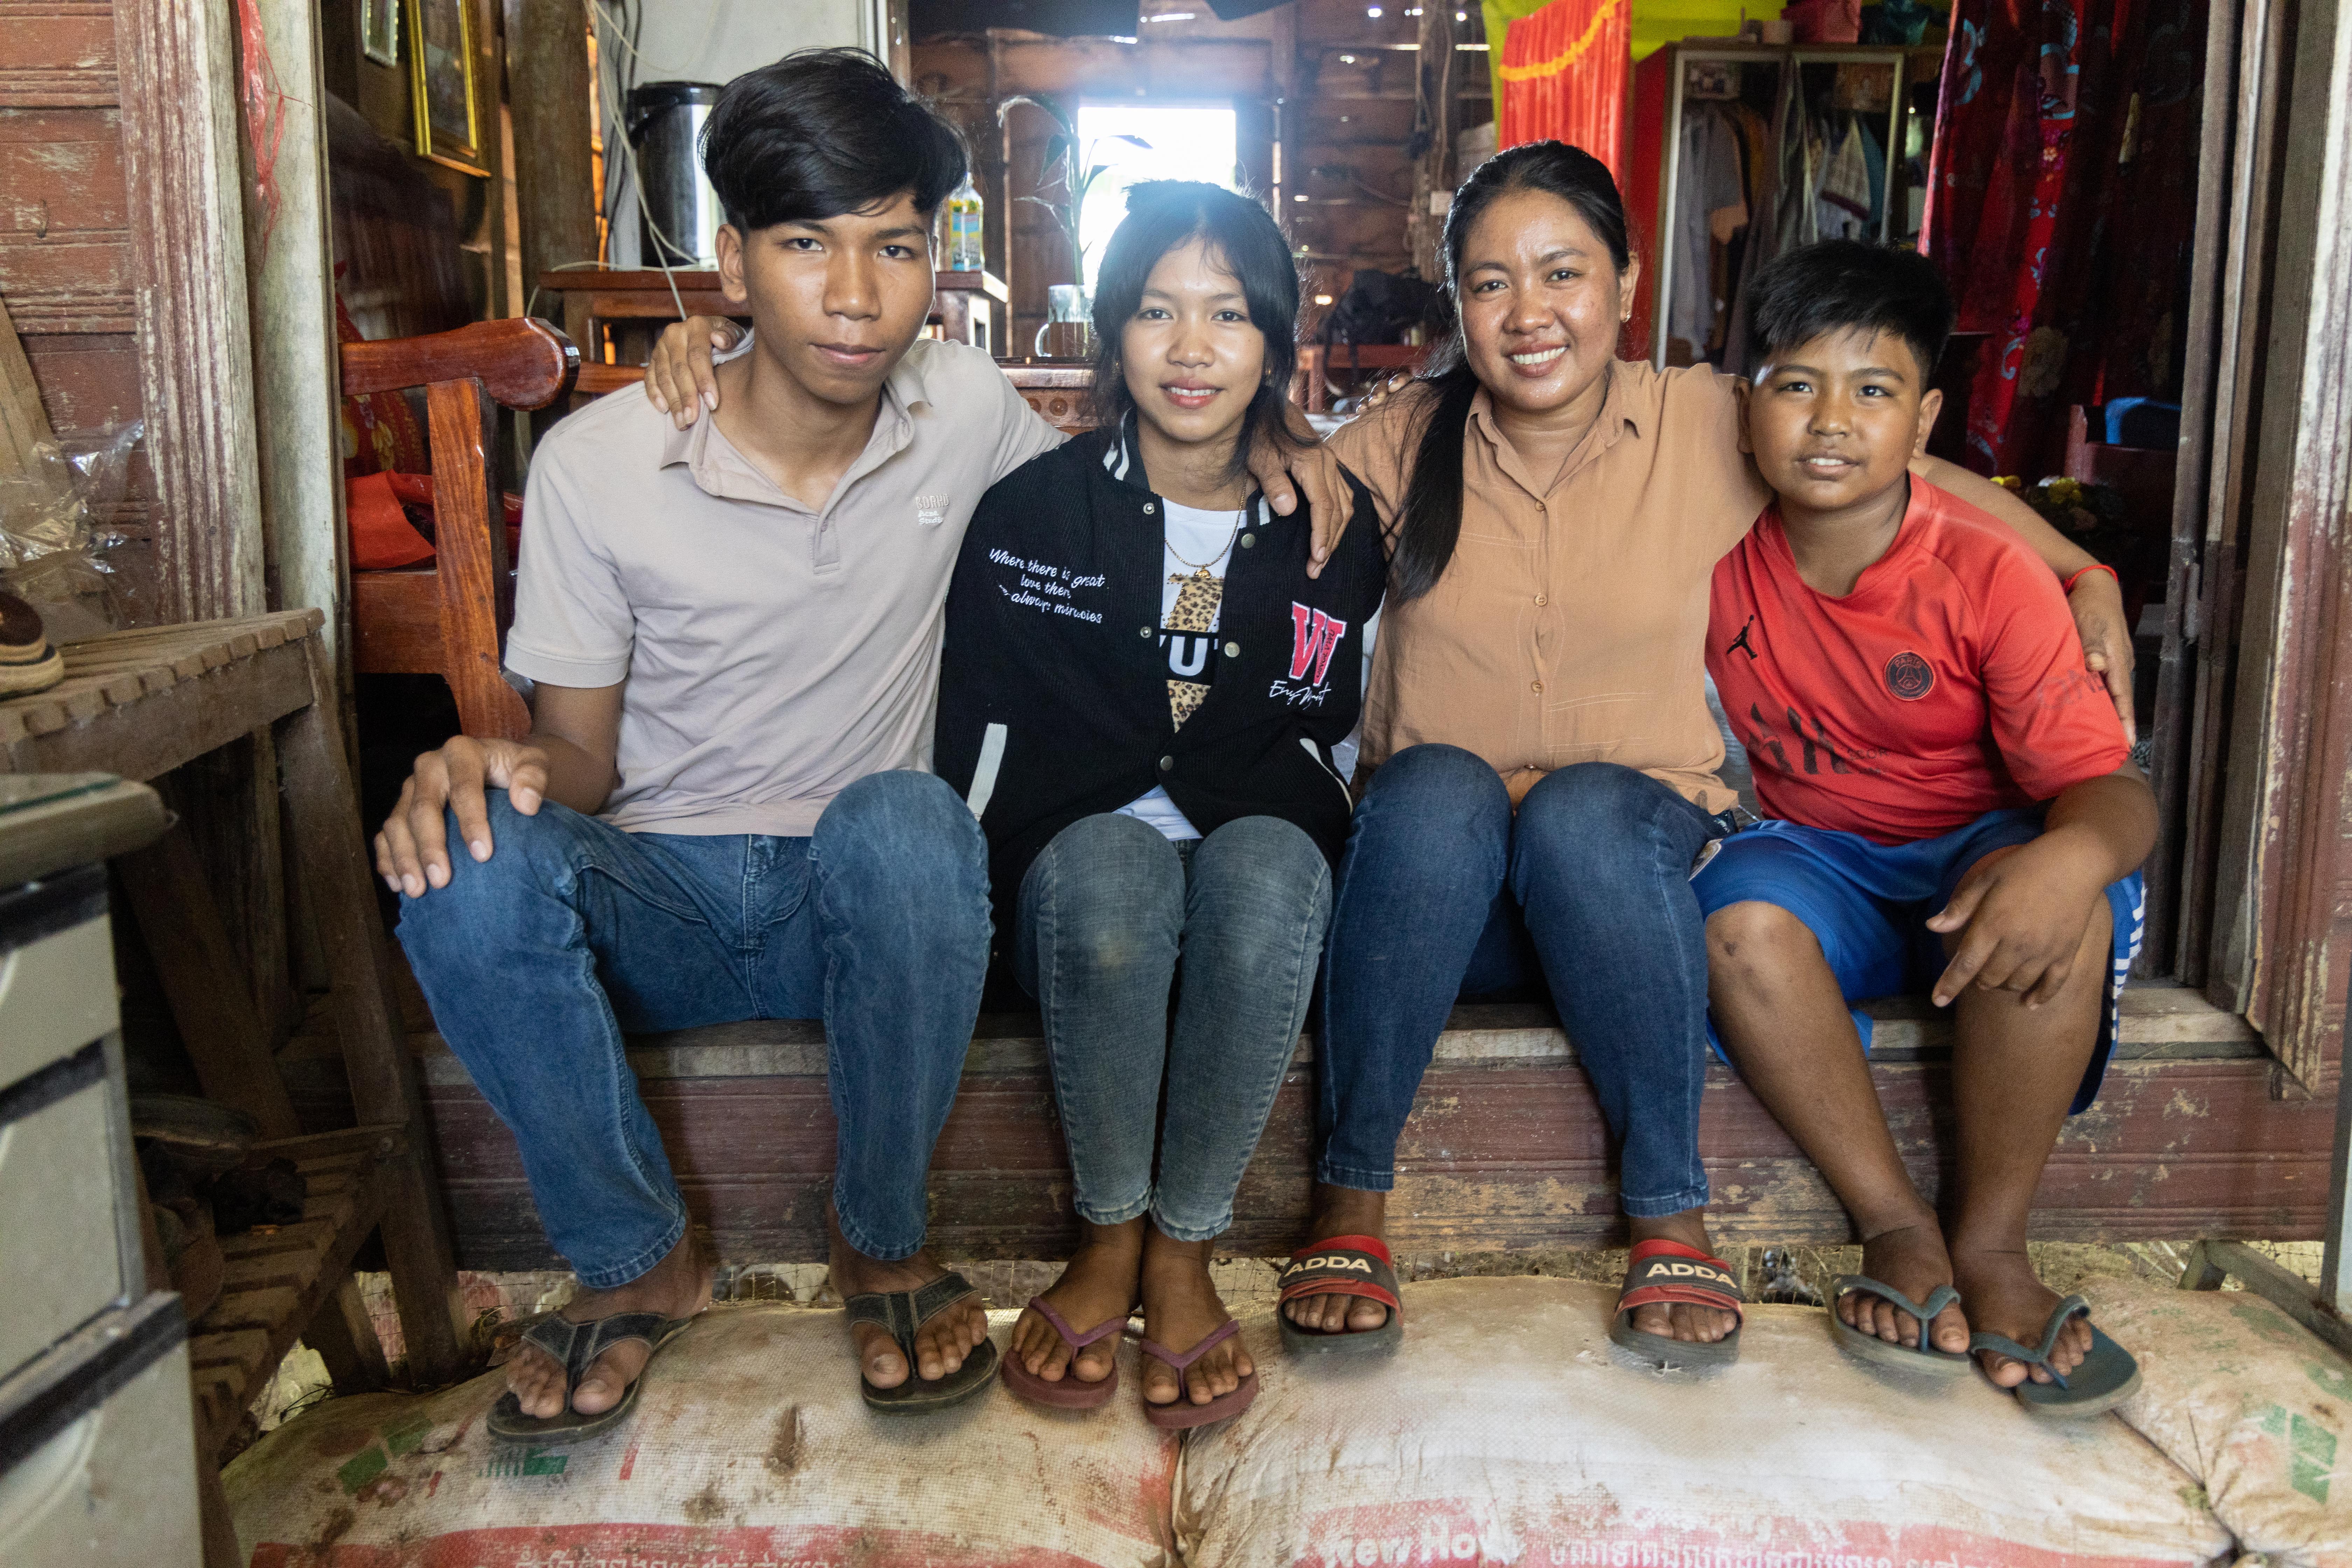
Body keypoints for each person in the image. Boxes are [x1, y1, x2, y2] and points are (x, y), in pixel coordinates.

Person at [1270, 142, 2139, 1367]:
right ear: (1455, 303)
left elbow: (1896, 465)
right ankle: (1351, 1203)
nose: (1529, 316)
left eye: (1562, 273)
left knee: (1583, 807)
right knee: (1432, 786)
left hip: (1627, 891)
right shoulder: (1406, 436)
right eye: (1489, 284)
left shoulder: (1703, 422)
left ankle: (1667, 1213)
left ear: (1626, 282)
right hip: (1433, 904)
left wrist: (2077, 563)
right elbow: (1261, 503)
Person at [933, 182, 1385, 1426]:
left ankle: (1182, 1248)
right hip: (1071, 887)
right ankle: (1110, 1236)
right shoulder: (1034, 509)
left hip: (1254, 865)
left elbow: (1343, 737)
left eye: (1229, 316)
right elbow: (979, 742)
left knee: (1271, 871)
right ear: (1112, 333)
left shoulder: (1333, 526)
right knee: (1114, 872)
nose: (1191, 350)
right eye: (1156, 312)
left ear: (1276, 345)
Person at [1695, 239, 2149, 1415]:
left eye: (1874, 392)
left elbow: (2116, 792)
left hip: (1977, 848)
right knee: (1730, 911)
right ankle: (1898, 1227)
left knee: (2060, 901)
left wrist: (2073, 858)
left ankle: (1995, 1246)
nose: (1830, 422)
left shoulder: (1988, 572)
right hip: (1823, 863)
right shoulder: (1709, 537)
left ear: (1927, 418)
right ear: (1743, 402)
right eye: (1795, 386)